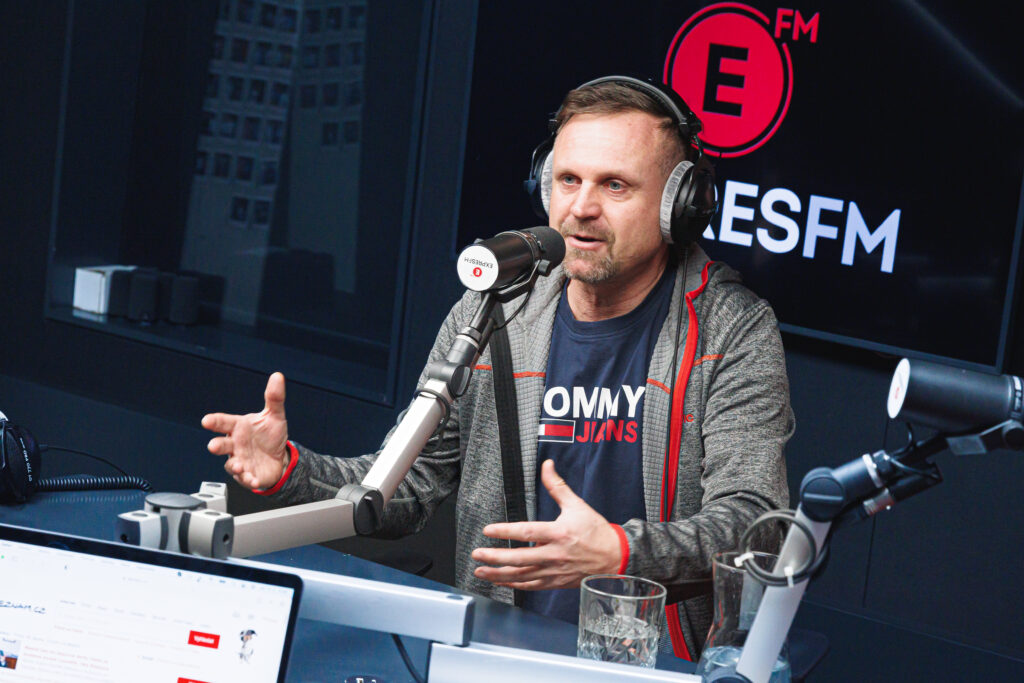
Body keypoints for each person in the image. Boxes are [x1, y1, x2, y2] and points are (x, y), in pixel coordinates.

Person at [202, 77, 793, 660]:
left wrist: (619, 552)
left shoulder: (732, 330)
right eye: (568, 180)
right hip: (495, 655)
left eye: (615, 185)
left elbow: (756, 526)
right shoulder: (491, 311)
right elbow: (406, 485)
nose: (581, 208)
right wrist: (290, 470)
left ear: (678, 205)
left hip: (651, 664)